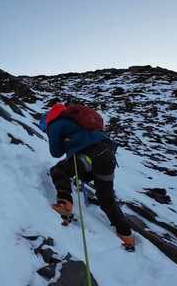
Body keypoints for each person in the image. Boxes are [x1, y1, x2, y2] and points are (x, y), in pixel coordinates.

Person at [39, 102, 135, 250]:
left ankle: (65, 204)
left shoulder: (54, 124)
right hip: (108, 155)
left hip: (90, 155)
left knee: (59, 170)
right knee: (106, 198)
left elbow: (55, 152)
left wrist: (63, 141)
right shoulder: (75, 119)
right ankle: (127, 236)